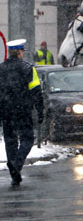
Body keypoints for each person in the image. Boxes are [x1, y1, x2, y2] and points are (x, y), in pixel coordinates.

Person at [0, 39, 45, 187]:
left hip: (6, 111)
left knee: (10, 140)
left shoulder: (0, 68)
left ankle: (14, 172)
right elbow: (36, 91)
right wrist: (40, 110)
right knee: (27, 138)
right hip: (23, 110)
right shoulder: (28, 68)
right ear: (20, 52)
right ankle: (17, 164)